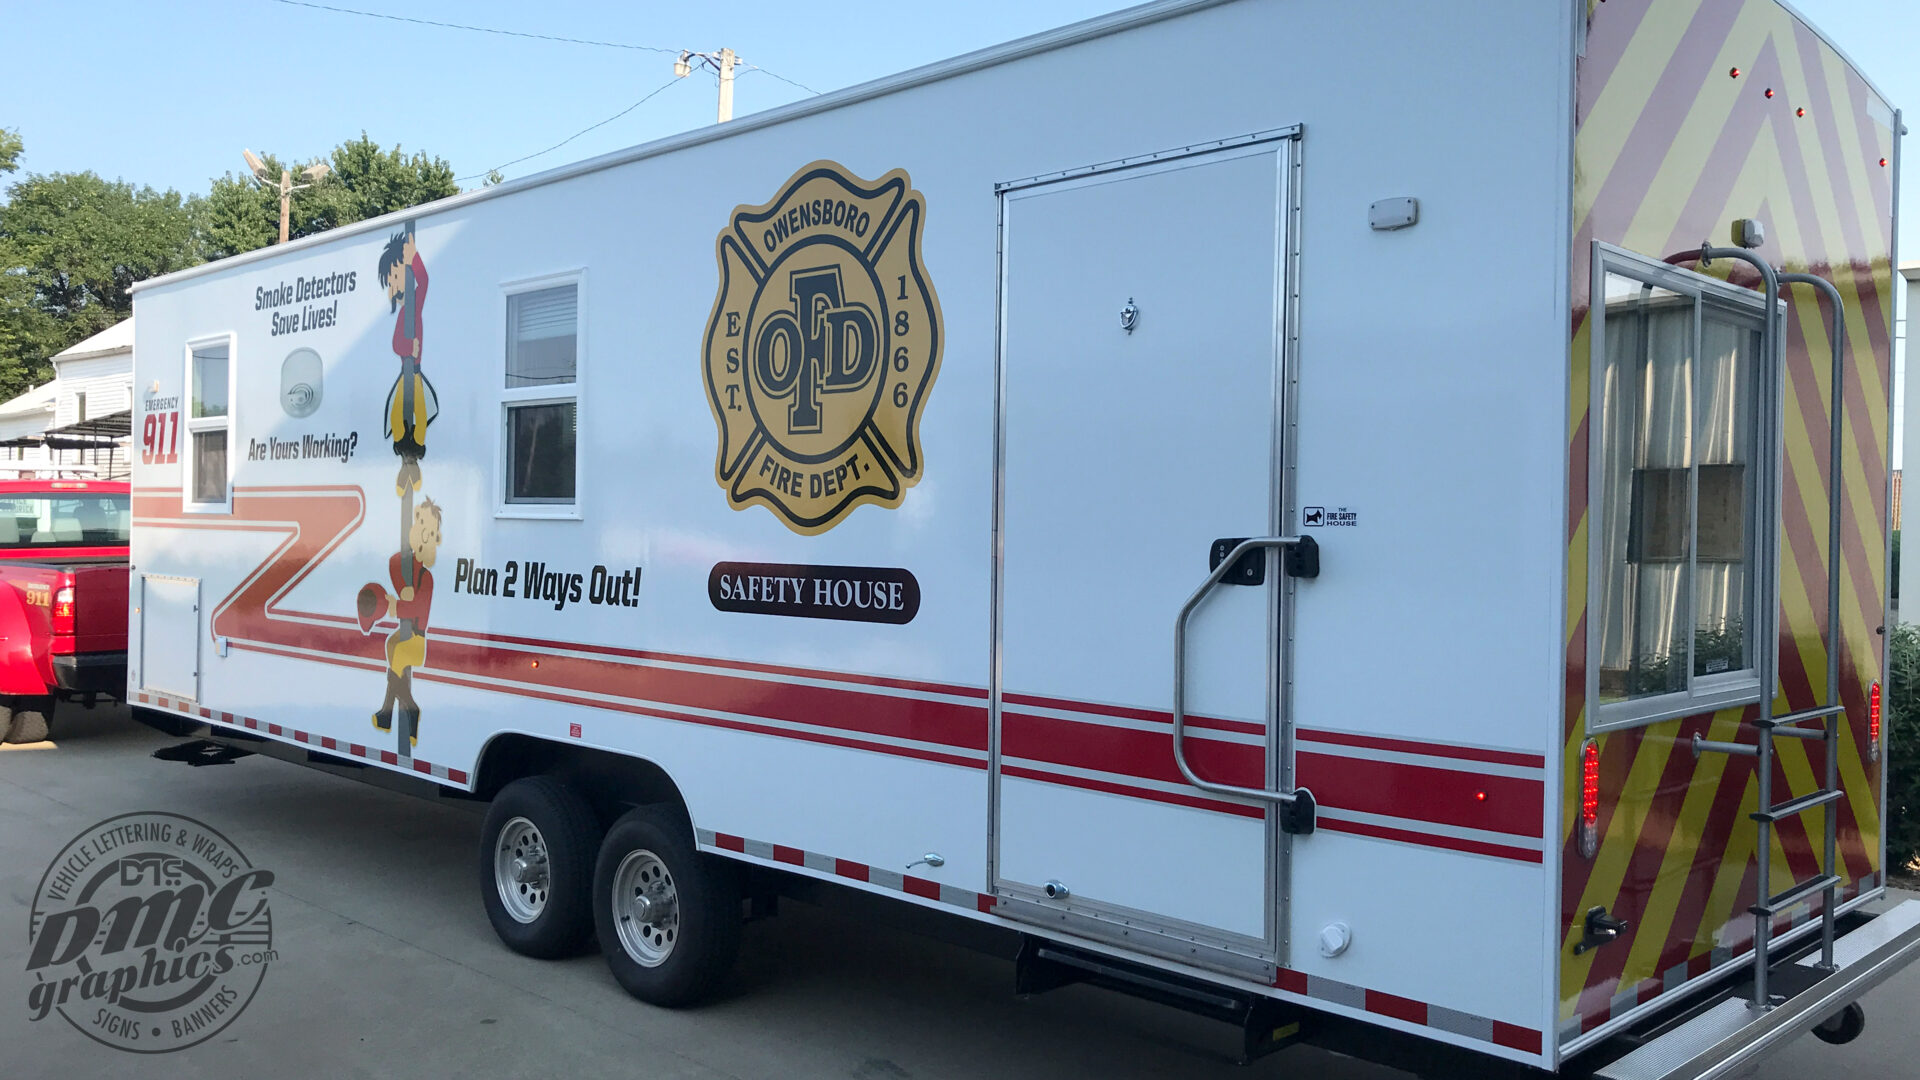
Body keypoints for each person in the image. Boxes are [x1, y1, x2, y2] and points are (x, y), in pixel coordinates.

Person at [373, 498, 440, 749]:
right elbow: (393, 563)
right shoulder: (412, 569)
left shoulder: (427, 578)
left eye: (430, 530)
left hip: (417, 638)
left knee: (399, 654)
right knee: (392, 646)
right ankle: (389, 712)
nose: (423, 532)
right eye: (420, 523)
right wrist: (404, 588)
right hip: (405, 633)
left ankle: (406, 710)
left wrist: (396, 605)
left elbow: (418, 609)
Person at [378, 226, 438, 492]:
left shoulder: (414, 305)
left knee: (421, 413)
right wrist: (407, 347)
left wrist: (415, 257)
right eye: (391, 279)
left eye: (396, 275)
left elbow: (424, 281)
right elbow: (395, 344)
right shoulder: (403, 314)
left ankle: (414, 458)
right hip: (406, 372)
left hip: (415, 372)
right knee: (396, 414)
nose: (393, 283)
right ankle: (405, 458)